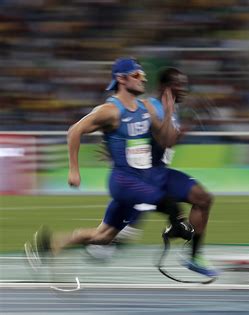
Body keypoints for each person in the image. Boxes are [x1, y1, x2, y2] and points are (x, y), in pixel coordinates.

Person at [25, 57, 194, 269]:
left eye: (143, 75)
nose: (143, 79)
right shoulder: (110, 110)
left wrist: (169, 113)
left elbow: (164, 141)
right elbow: (74, 131)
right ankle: (177, 225)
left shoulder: (145, 108)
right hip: (124, 182)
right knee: (169, 204)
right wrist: (74, 170)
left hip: (141, 181)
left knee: (103, 236)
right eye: (137, 75)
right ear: (121, 79)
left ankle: (49, 245)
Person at [85, 67, 218, 277]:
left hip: (161, 174)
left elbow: (167, 140)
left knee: (203, 198)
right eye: (179, 84)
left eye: (185, 84)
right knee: (113, 236)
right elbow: (163, 140)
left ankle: (193, 257)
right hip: (144, 177)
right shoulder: (152, 107)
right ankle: (72, 244)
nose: (184, 89)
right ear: (166, 87)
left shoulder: (171, 108)